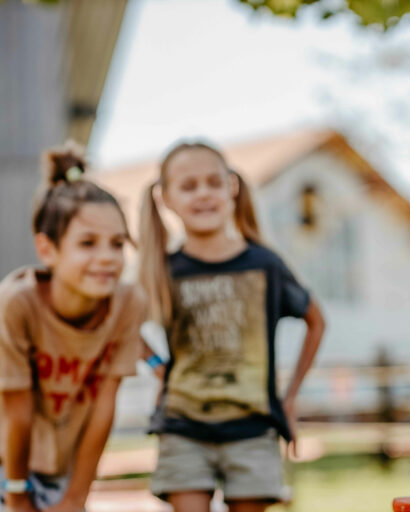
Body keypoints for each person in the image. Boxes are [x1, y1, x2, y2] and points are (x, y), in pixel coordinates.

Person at [139, 141, 325, 512]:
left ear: (232, 188)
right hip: (183, 427)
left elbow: (316, 322)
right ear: (166, 198)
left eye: (213, 182)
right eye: (188, 186)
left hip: (253, 429)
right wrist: (159, 369)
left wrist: (288, 399)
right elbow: (119, 324)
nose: (203, 193)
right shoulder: (162, 269)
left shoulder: (265, 264)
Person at [0, 143, 145, 512]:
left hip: (59, 467)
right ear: (47, 250)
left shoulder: (128, 304)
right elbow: (14, 407)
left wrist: (78, 497)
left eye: (117, 243)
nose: (107, 258)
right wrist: (16, 493)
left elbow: (104, 404)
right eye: (88, 243)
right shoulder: (17, 303)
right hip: (7, 461)